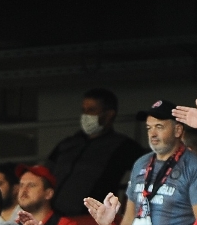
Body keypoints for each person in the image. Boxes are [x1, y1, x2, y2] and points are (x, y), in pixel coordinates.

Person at [47, 88, 147, 216]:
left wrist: (130, 204)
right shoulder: (68, 143)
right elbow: (45, 173)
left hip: (90, 219)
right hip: (53, 217)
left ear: (109, 115)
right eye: (84, 110)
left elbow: (149, 170)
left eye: (92, 110)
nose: (86, 115)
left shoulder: (123, 146)